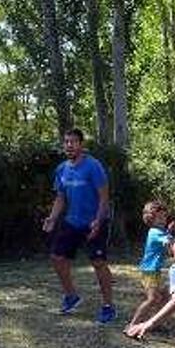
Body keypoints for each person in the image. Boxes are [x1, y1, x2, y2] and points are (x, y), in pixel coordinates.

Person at [42, 128, 116, 324]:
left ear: (81, 145)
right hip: (72, 222)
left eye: (73, 142)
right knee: (57, 257)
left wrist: (98, 221)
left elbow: (104, 198)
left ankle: (108, 306)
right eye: (66, 142)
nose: (69, 145)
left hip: (95, 221)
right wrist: (52, 218)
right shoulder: (62, 169)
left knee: (98, 263)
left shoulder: (93, 166)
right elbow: (60, 198)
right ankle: (71, 296)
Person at [125, 200, 175, 330]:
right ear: (151, 219)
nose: (163, 220)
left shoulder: (160, 231)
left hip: (155, 270)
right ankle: (132, 325)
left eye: (164, 217)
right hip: (149, 271)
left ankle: (156, 322)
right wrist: (171, 233)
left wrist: (170, 236)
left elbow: (170, 250)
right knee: (152, 299)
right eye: (159, 218)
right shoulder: (155, 232)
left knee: (164, 296)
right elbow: (170, 245)